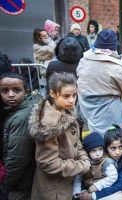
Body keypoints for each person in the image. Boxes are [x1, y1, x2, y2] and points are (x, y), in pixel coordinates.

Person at [29, 72, 91, 200]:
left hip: (67, 182)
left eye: (74, 95)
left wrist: (84, 158)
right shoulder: (49, 123)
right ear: (52, 94)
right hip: (54, 189)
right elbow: (48, 162)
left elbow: (76, 142)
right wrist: (82, 166)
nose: (72, 100)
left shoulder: (66, 109)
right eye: (66, 96)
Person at [77, 29, 122, 142]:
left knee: (99, 140)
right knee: (119, 140)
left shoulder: (84, 60)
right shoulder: (116, 67)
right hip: (112, 112)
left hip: (88, 108)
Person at [79, 124, 122, 199]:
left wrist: (94, 195)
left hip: (119, 189)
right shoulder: (98, 155)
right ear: (106, 147)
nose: (118, 152)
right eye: (113, 148)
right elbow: (85, 176)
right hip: (97, 188)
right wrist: (83, 190)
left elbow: (121, 185)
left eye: (121, 147)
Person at [0, 73, 36, 200]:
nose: (10, 95)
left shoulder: (21, 118)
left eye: (16, 90)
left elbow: (18, 158)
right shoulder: (12, 112)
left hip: (19, 183)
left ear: (26, 92)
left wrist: (5, 183)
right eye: (4, 90)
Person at [73, 132, 118, 199]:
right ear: (88, 152)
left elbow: (113, 177)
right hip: (87, 188)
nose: (98, 154)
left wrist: (97, 186)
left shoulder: (107, 162)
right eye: (94, 151)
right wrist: (77, 191)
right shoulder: (85, 162)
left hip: (102, 190)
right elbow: (78, 178)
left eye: (100, 149)